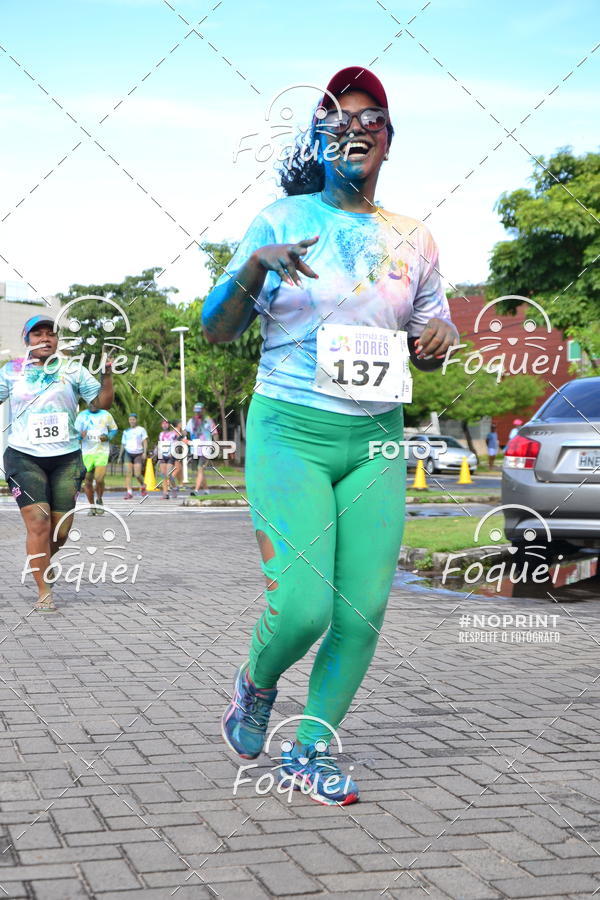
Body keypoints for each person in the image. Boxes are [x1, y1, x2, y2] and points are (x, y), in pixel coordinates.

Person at [202, 67, 458, 805]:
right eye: (337, 119)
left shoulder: (415, 237)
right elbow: (216, 330)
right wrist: (255, 268)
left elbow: (426, 336)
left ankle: (310, 749)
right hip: (291, 429)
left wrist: (439, 336)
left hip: (376, 438)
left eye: (369, 117)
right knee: (304, 608)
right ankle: (256, 684)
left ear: (388, 140)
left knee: (361, 612)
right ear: (318, 140)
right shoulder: (281, 219)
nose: (354, 128)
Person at [0, 315, 113, 610]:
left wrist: (107, 375)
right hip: (23, 456)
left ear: (57, 340)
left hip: (66, 458)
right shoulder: (11, 371)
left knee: (60, 531)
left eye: (50, 334)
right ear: (27, 339)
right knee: (39, 523)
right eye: (37, 334)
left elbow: (101, 403)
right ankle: (44, 590)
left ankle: (39, 558)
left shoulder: (72, 369)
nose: (45, 339)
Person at [74, 403, 117, 515]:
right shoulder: (82, 416)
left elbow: (114, 430)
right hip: (87, 453)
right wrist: (80, 436)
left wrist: (108, 437)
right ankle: (92, 506)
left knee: (99, 479)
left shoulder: (106, 414)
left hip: (101, 452)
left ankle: (99, 499)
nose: (93, 404)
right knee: (87, 481)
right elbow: (74, 434)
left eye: (95, 401)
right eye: (90, 401)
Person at [186, 402, 219, 496]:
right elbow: (186, 431)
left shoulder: (208, 420)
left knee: (200, 468)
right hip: (195, 448)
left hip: (206, 448)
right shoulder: (191, 421)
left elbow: (215, 433)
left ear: (203, 410)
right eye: (196, 411)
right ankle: (206, 490)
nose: (197, 413)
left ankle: (196, 490)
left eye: (199, 411)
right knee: (199, 471)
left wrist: (216, 446)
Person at [119, 413, 148, 499]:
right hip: (128, 453)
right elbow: (123, 444)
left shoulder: (141, 430)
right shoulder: (126, 431)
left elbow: (145, 441)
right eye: (130, 420)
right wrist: (120, 456)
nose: (132, 421)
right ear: (128, 421)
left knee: (137, 474)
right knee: (128, 474)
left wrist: (145, 452)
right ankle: (129, 492)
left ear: (136, 420)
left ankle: (143, 485)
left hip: (138, 453)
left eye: (133, 419)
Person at [156, 419, 179, 499]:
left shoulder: (173, 434)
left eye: (166, 423)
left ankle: (174, 487)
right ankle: (165, 493)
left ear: (169, 425)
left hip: (170, 456)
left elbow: (176, 445)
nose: (164, 425)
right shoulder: (161, 434)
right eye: (163, 423)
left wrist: (173, 453)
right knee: (163, 475)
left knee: (169, 474)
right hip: (162, 455)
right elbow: (160, 444)